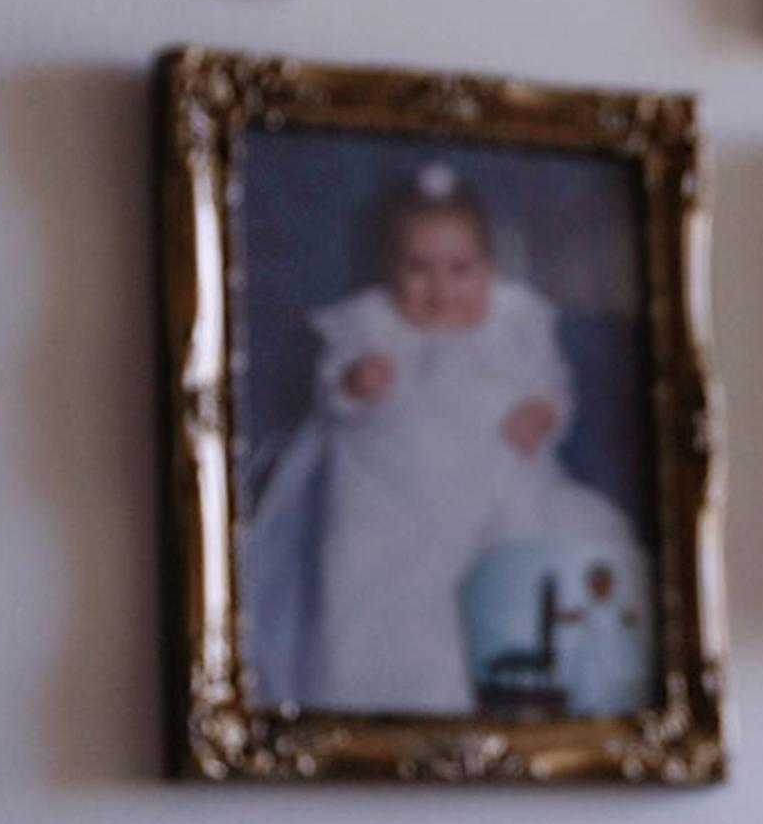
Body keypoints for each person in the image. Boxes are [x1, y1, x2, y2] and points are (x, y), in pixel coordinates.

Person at [245, 163, 635, 714]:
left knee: (523, 560)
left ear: (489, 268)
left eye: (460, 270)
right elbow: (332, 392)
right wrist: (356, 384)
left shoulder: (513, 320)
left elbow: (551, 385)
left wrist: (543, 413)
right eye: (419, 269)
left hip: (490, 488)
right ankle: (364, 690)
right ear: (391, 269)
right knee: (369, 577)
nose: (441, 288)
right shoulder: (371, 321)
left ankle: (476, 684)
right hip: (388, 492)